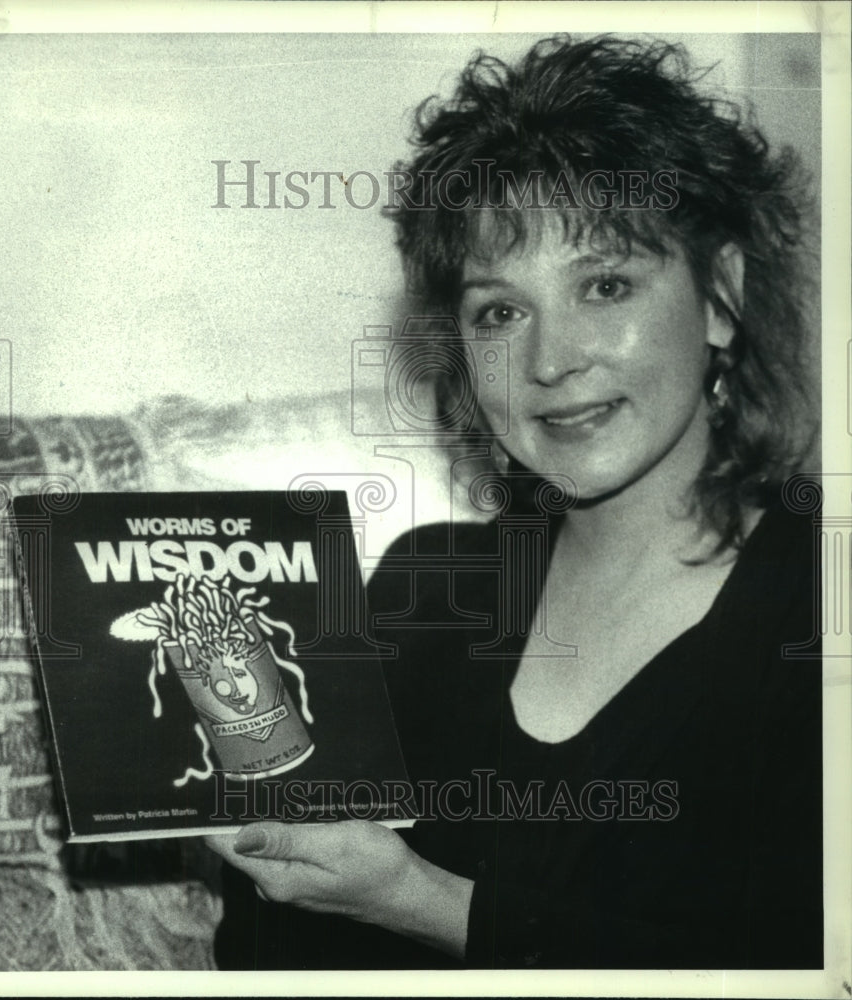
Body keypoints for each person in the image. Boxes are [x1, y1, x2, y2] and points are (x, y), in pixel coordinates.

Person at [206, 35, 822, 969]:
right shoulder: (420, 591)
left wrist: (421, 903)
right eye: (500, 311)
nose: (550, 361)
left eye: (605, 285)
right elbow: (265, 959)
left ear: (722, 297)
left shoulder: (819, 603)